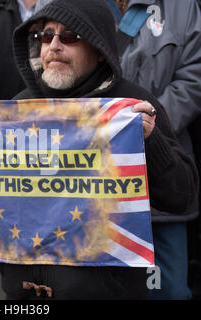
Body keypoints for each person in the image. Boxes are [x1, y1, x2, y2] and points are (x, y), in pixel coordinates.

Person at [0, 0, 198, 299]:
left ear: (98, 50)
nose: (54, 45)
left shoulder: (132, 106)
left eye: (69, 37)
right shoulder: (15, 110)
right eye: (45, 37)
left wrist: (151, 141)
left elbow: (182, 197)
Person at [110, 0, 201, 300]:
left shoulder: (182, 6)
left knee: (168, 290)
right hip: (94, 182)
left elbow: (193, 78)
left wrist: (147, 128)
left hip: (161, 177)